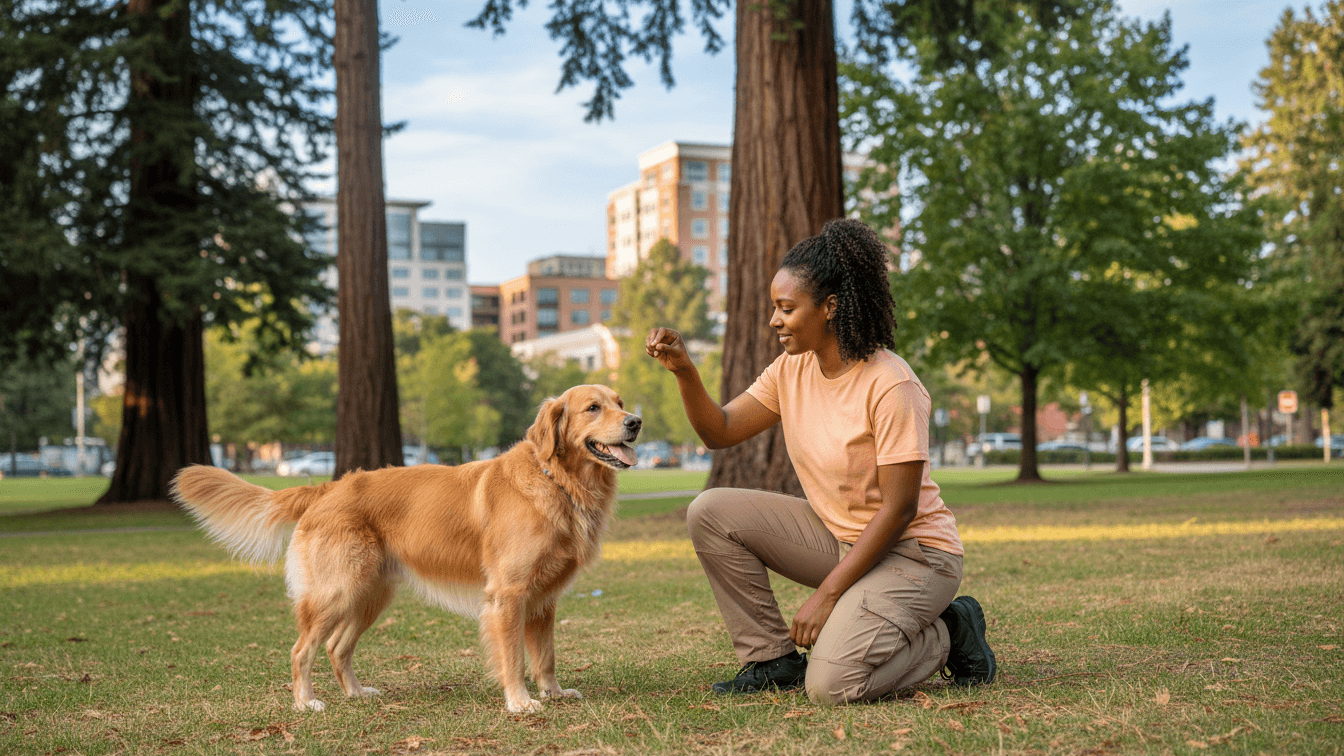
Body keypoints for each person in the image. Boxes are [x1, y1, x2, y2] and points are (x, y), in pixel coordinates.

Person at [645, 218, 995, 705]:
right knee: (711, 510)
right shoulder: (793, 368)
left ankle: (948, 632)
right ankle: (771, 660)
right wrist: (684, 370)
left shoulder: (891, 384)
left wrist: (827, 596)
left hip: (915, 556)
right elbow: (719, 432)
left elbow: (898, 510)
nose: (774, 320)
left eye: (787, 309)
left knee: (832, 687)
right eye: (775, 308)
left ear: (830, 308)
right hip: (841, 540)